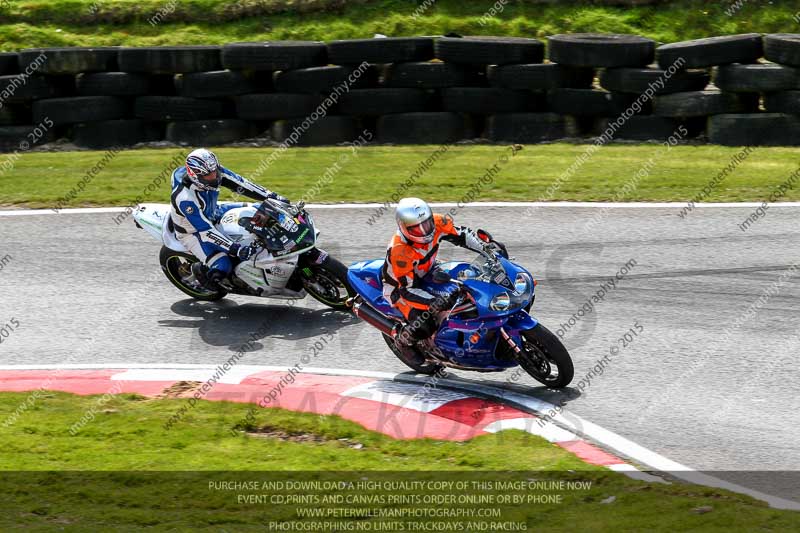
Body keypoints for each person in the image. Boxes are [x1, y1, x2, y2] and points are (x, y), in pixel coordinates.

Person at [381, 197, 507, 355]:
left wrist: (486, 249)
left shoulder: (438, 221)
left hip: (429, 269)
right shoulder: (400, 251)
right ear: (403, 227)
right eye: (416, 229)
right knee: (425, 325)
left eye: (426, 224)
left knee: (468, 284)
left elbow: (463, 235)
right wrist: (434, 302)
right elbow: (407, 290)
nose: (424, 231)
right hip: (399, 288)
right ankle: (403, 342)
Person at [169, 148, 289, 290]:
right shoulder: (185, 198)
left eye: (215, 171)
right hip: (193, 232)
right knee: (223, 266)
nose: (214, 176)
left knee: (258, 209)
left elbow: (243, 184)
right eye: (208, 175)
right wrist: (236, 249)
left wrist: (272, 197)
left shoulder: (215, 172)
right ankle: (201, 275)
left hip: (214, 210)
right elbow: (206, 231)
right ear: (195, 176)